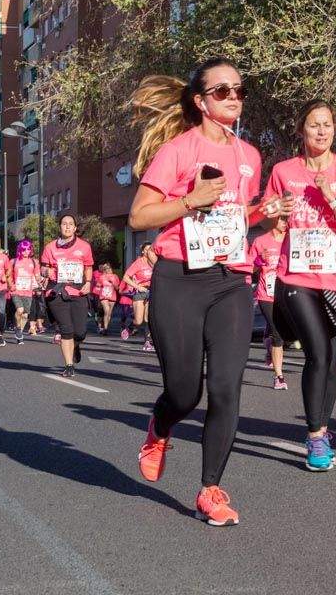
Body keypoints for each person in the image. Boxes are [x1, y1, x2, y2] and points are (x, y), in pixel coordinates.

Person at [128, 61, 263, 527]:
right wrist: (190, 200)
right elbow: (139, 217)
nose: (233, 96)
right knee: (185, 391)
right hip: (179, 278)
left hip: (231, 280)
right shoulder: (177, 151)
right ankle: (160, 426)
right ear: (201, 101)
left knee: (226, 389)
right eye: (222, 90)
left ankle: (210, 489)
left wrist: (267, 212)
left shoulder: (251, 155)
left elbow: (237, 216)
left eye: (239, 90)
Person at [263, 99, 336, 470]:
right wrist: (275, 211)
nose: (321, 131)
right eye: (313, 125)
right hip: (296, 277)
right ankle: (315, 436)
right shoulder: (282, 171)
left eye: (327, 125)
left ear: (334, 130)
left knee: (334, 360)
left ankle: (322, 426)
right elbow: (267, 217)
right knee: (319, 353)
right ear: (301, 130)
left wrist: (332, 198)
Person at [41, 213, 95, 375]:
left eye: (70, 223)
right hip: (57, 292)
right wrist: (48, 271)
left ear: (75, 228)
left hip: (78, 291)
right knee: (66, 329)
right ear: (60, 227)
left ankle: (76, 345)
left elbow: (89, 267)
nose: (67, 226)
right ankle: (69, 366)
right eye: (64, 223)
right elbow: (42, 268)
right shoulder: (50, 247)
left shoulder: (84, 246)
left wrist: (87, 283)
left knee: (80, 332)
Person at [250, 217, 288, 390]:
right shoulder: (260, 241)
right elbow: (249, 268)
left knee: (286, 333)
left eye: (288, 219)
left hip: (287, 293)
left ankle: (269, 345)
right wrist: (259, 260)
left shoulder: (292, 239)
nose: (285, 222)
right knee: (278, 334)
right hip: (267, 295)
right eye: (282, 219)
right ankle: (279, 377)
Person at [120, 243, 157, 350]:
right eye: (147, 249)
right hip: (140, 291)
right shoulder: (138, 263)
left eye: (151, 249)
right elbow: (126, 277)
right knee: (139, 320)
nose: (150, 251)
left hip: (152, 291)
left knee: (148, 318)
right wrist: (137, 286)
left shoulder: (155, 262)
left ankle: (147, 342)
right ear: (143, 252)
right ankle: (130, 327)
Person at [11, 239, 42, 339]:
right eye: (23, 250)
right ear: (20, 250)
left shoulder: (34, 262)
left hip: (28, 292)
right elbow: (8, 275)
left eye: (28, 249)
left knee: (25, 315)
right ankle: (18, 328)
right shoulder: (14, 261)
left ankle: (19, 331)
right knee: (19, 310)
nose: (25, 252)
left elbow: (37, 275)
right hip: (16, 290)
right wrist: (10, 284)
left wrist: (39, 283)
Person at [96, 262, 121, 335]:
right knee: (106, 310)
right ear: (104, 270)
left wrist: (113, 283)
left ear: (111, 268)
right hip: (103, 296)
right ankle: (105, 329)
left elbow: (117, 288)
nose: (108, 270)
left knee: (109, 313)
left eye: (109, 268)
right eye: (106, 269)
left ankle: (106, 327)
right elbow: (98, 286)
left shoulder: (115, 276)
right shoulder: (102, 277)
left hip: (112, 296)